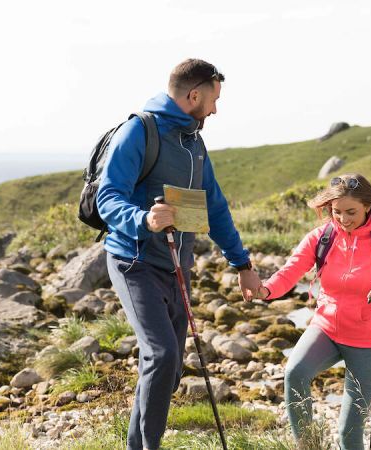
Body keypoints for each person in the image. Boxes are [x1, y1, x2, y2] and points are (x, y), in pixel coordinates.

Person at [97, 58, 261, 450]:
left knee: (167, 369)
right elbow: (107, 197)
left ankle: (137, 441)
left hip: (176, 267)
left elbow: (215, 208)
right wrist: (143, 219)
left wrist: (243, 264)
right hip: (133, 261)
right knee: (162, 354)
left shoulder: (194, 142)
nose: (216, 109)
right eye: (214, 100)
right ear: (194, 94)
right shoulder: (139, 131)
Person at [254, 173, 371, 449]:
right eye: (337, 212)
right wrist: (264, 290)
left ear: (368, 206)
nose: (343, 219)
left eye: (351, 212)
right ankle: (309, 446)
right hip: (326, 328)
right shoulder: (323, 236)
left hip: (368, 341)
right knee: (294, 373)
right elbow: (290, 271)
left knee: (349, 432)